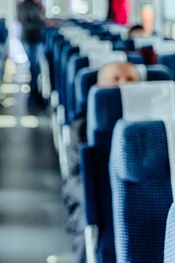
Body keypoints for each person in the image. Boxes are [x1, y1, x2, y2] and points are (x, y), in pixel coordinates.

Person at [63, 62, 140, 263]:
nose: (123, 84)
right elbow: (73, 181)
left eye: (131, 79)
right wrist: (95, 200)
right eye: (115, 79)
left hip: (144, 200)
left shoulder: (155, 132)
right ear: (98, 87)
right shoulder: (81, 129)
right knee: (90, 223)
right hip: (97, 199)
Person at [17, 0, 46, 104]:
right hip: (30, 39)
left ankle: (36, 93)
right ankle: (32, 97)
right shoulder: (26, 4)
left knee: (37, 68)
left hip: (37, 38)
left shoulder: (37, 3)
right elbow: (26, 22)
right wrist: (43, 22)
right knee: (34, 68)